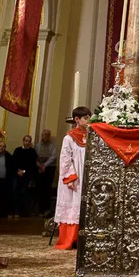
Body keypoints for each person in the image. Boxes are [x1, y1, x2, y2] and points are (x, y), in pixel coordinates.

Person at [54, 106, 91, 250]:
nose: (88, 121)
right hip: (74, 178)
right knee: (71, 207)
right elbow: (65, 160)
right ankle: (70, 239)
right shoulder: (69, 138)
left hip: (87, 175)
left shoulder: (91, 136)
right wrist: (70, 178)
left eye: (89, 118)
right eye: (86, 118)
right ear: (77, 119)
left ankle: (83, 240)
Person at [12, 135, 38, 217]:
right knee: (15, 191)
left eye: (29, 141)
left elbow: (32, 165)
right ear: (23, 141)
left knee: (24, 193)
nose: (27, 143)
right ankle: (15, 211)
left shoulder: (32, 152)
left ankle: (23, 212)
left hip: (27, 175)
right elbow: (14, 162)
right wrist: (18, 170)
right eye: (26, 141)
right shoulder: (17, 150)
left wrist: (24, 171)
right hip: (17, 174)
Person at [35, 129, 58, 216]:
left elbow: (53, 157)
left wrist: (45, 165)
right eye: (45, 134)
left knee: (47, 188)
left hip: (49, 168)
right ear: (42, 135)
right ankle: (40, 210)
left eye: (48, 135)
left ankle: (47, 209)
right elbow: (35, 156)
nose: (46, 136)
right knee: (39, 188)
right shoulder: (37, 145)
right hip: (39, 168)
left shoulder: (53, 145)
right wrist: (39, 165)